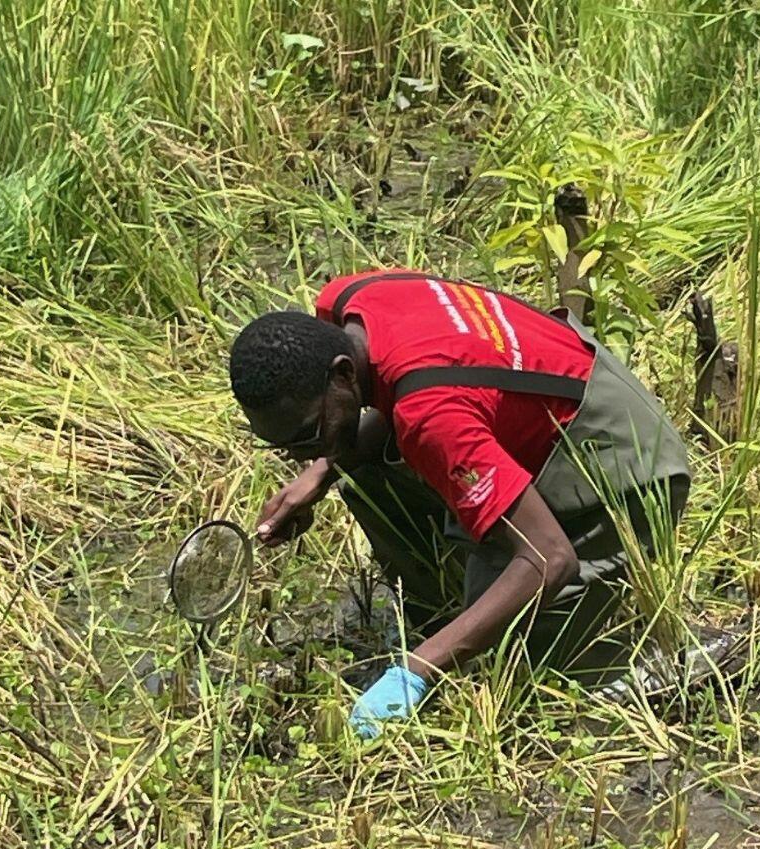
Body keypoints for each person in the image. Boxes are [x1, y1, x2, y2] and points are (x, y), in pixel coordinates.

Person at [228, 271, 691, 740]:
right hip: (554, 387)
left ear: (344, 373)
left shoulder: (429, 417)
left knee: (509, 673)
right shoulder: (348, 303)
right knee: (358, 469)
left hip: (625, 458)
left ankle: (660, 663)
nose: (300, 454)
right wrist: (322, 470)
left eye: (308, 434)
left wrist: (419, 667)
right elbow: (414, 392)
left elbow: (550, 557)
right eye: (281, 446)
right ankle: (448, 610)